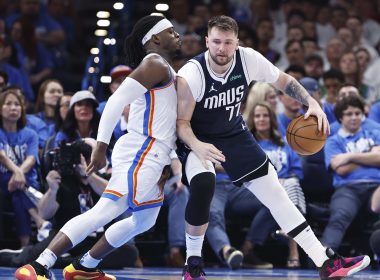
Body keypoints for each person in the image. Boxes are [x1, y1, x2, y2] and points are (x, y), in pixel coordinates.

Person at [176, 15, 370, 280]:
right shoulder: (191, 74)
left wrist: (310, 102)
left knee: (276, 192)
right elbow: (182, 123)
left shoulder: (248, 59)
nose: (221, 49)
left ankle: (324, 261)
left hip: (233, 132)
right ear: (207, 41)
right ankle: (193, 265)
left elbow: (284, 81)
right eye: (216, 42)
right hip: (195, 136)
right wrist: (198, 145)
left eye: (228, 43)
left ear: (237, 43)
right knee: (203, 184)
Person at [15, 14, 181, 280]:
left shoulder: (164, 68)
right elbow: (116, 102)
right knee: (106, 210)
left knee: (146, 219)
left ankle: (85, 266)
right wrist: (101, 146)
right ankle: (38, 265)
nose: (178, 35)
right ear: (156, 38)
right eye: (171, 31)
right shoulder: (154, 62)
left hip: (155, 152)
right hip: (142, 149)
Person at [322, 95, 380, 251]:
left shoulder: (374, 134)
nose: (354, 117)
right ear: (341, 117)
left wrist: (349, 156)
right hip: (348, 188)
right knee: (339, 217)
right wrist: (369, 154)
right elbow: (340, 169)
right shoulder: (333, 142)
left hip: (377, 186)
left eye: (357, 113)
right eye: (349, 114)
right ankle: (324, 260)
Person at [0, 90, 51, 247]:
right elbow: (1, 156)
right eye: (8, 103)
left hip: (25, 182)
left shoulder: (30, 134)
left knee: (18, 193)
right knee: (15, 181)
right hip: (3, 182)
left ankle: (25, 246)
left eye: (17, 104)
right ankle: (39, 223)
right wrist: (17, 172)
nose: (13, 107)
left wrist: (19, 174)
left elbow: (31, 158)